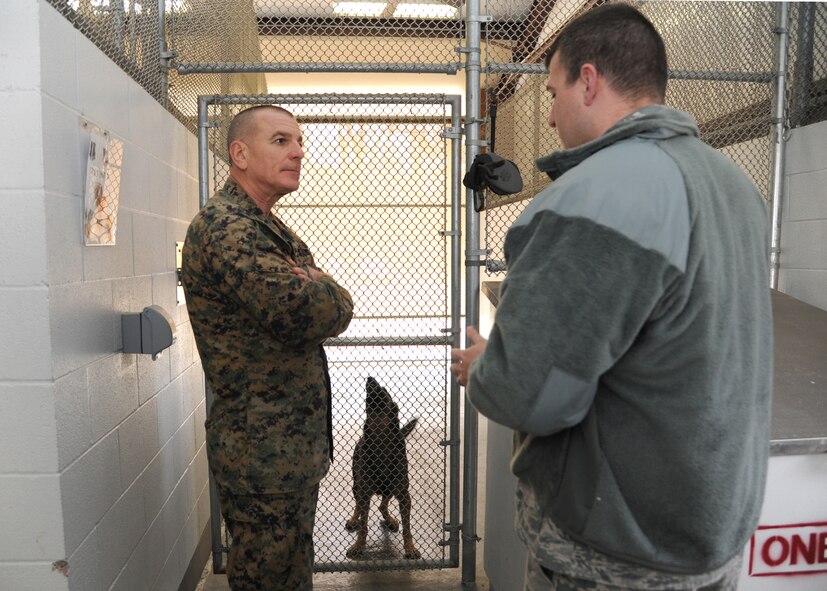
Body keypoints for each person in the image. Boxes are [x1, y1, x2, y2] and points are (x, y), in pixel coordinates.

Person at [451, 4, 772, 590]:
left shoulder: (592, 198)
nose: (548, 117)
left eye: (552, 92)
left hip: (619, 553)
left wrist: (485, 368)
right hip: (713, 534)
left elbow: (536, 397)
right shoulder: (732, 186)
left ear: (590, 81)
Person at [182, 105, 354, 591]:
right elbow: (309, 312)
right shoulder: (227, 228)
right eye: (281, 141)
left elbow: (316, 302)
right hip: (263, 455)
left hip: (285, 452)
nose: (298, 152)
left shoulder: (267, 227)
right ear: (239, 154)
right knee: (270, 580)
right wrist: (328, 290)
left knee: (289, 574)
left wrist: (322, 288)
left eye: (299, 141)